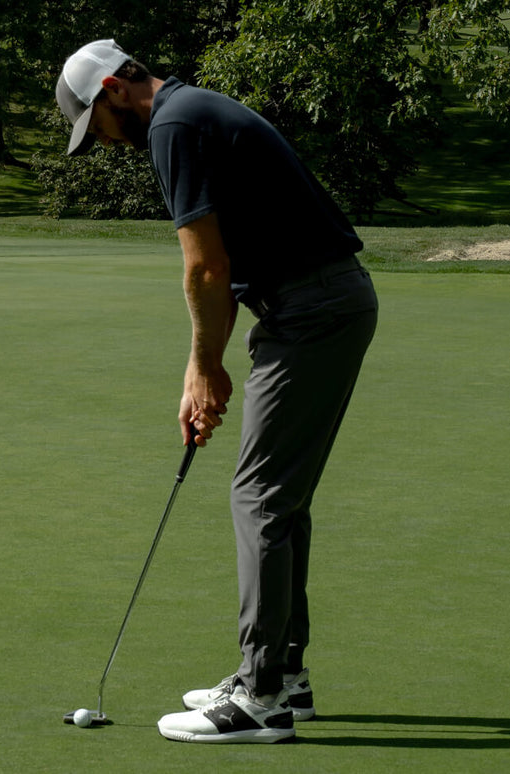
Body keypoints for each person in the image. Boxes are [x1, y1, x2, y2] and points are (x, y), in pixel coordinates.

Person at [56, 40, 379, 744]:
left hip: (313, 309)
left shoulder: (172, 126)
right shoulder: (192, 111)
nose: (104, 144)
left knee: (260, 497)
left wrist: (205, 367)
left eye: (96, 126)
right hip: (313, 304)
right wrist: (200, 371)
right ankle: (284, 677)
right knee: (280, 499)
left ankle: (261, 695)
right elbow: (226, 273)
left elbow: (203, 268)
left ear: (113, 89)